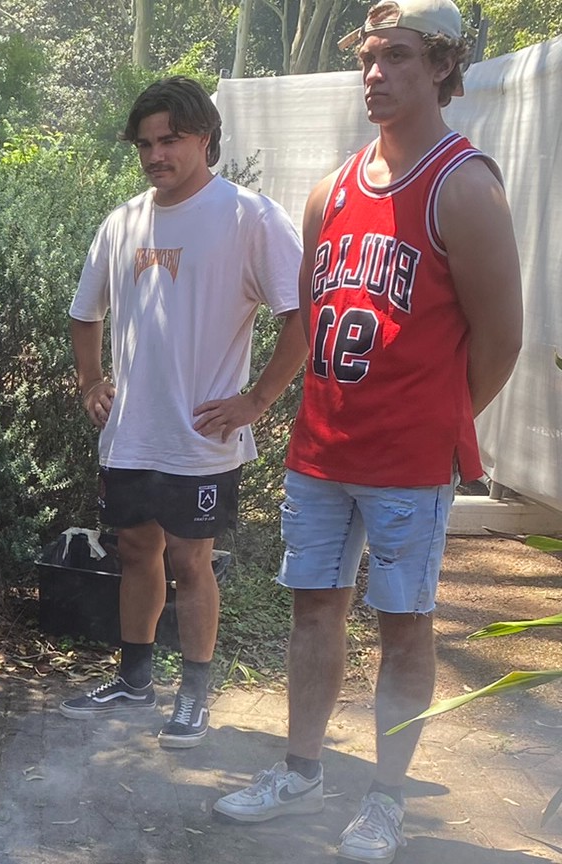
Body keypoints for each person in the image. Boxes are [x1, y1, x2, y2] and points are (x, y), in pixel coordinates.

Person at [213, 1, 523, 859]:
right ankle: (301, 770)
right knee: (314, 612)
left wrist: (438, 424)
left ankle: (387, 800)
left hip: (407, 465)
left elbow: (502, 337)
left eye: (398, 57)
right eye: (369, 57)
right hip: (320, 454)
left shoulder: (465, 185)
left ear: (442, 70)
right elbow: (312, 320)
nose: (376, 73)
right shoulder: (331, 189)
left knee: (403, 626)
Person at [61, 76, 305, 748]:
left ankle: (194, 695)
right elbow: (86, 315)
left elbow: (301, 317)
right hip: (131, 434)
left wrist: (256, 400)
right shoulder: (123, 222)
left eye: (169, 139)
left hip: (202, 435)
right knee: (137, 550)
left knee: (192, 562)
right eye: (145, 143)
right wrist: (90, 383)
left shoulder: (249, 217)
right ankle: (135, 682)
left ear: (204, 137)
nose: (155, 154)